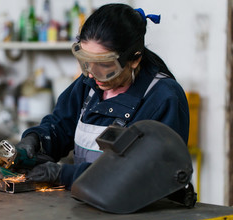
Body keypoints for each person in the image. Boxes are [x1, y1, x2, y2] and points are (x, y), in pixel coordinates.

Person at [15, 3, 190, 189]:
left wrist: (63, 174)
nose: (91, 74)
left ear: (135, 59)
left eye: (104, 65)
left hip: (142, 212)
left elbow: (139, 172)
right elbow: (61, 126)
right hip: (91, 202)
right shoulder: (89, 85)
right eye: (87, 63)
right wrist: (35, 139)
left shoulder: (163, 97)